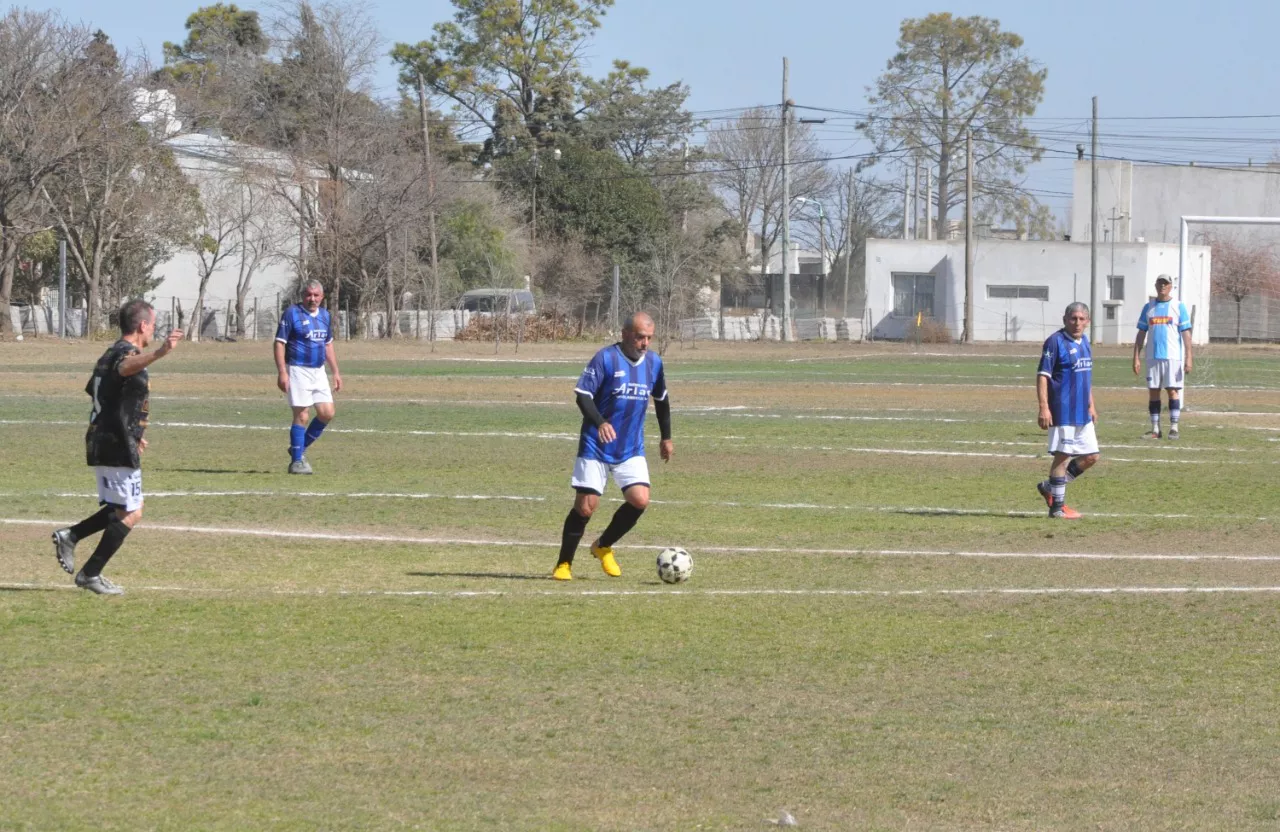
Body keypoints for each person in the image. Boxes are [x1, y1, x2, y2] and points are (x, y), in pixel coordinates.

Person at [51, 300, 183, 595]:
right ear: (142, 326)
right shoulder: (124, 354)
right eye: (153, 324)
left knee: (122, 507)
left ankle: (71, 536)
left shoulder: (108, 353)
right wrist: (159, 353)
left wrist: (132, 429)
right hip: (114, 443)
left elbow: (103, 393)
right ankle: (90, 572)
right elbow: (124, 370)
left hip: (112, 438)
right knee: (132, 512)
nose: (154, 330)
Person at [553, 312, 674, 581]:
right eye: (640, 337)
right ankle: (564, 564)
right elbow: (583, 395)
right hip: (596, 445)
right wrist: (599, 422)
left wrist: (666, 437)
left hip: (630, 447)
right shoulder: (606, 358)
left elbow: (662, 400)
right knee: (586, 507)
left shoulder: (653, 363)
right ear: (625, 334)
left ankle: (603, 546)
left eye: (649, 338)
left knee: (640, 500)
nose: (645, 343)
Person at [1035, 302, 1100, 519]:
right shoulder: (1055, 342)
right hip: (1063, 410)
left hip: (1082, 411)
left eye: (1082, 319)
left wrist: (1091, 404)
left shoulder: (1085, 342)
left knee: (1091, 456)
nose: (1077, 323)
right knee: (1063, 457)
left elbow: (1086, 375)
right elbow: (1043, 376)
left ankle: (1050, 487)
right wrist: (1044, 407)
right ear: (1065, 319)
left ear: (1088, 322)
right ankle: (1057, 508)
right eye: (1073, 318)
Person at [274, 280, 342, 474]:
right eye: (308, 295)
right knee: (302, 415)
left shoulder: (325, 316)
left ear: (322, 297)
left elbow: (328, 344)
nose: (312, 299)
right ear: (303, 296)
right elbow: (279, 343)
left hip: (318, 371)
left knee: (327, 413)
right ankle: (296, 462)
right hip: (297, 369)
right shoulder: (292, 313)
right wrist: (282, 371)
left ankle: (298, 448)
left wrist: (335, 372)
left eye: (316, 295)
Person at [1132, 275, 1193, 440]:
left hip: (1172, 357)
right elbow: (1141, 334)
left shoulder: (1178, 306)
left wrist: (1189, 358)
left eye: (1165, 283)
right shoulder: (1148, 307)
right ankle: (1155, 430)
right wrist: (1136, 357)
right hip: (1152, 357)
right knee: (1153, 391)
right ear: (1155, 285)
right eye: (1160, 283)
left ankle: (1174, 428)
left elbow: (1186, 334)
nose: (1162, 286)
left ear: (1171, 286)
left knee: (1172, 391)